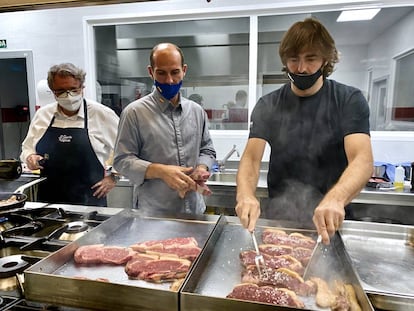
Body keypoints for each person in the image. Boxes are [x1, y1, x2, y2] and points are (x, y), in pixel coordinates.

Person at [235, 18, 373, 244]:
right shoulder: (268, 105)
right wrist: (245, 195)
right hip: (280, 222)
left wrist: (336, 199)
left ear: (325, 59)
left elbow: (362, 159)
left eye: (310, 59)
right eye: (293, 59)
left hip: (330, 222)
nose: (301, 68)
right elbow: (251, 158)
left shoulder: (348, 100)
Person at [113, 43, 216, 216]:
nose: (169, 80)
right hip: (153, 213)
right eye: (161, 73)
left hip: (194, 210)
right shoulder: (134, 113)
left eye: (175, 72)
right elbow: (122, 160)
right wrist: (160, 171)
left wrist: (202, 167)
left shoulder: (197, 111)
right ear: (151, 72)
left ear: (184, 70)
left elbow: (207, 149)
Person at [20, 63, 120, 207]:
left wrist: (113, 177)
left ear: (82, 88)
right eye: (61, 91)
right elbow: (27, 147)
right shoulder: (43, 115)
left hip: (89, 202)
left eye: (73, 90)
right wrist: (30, 157)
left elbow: (126, 150)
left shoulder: (102, 115)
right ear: (53, 92)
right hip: (48, 203)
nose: (68, 96)